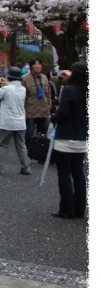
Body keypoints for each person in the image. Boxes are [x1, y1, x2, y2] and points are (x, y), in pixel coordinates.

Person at [50, 61, 88, 219]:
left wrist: (53, 117)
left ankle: (67, 209)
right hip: (82, 137)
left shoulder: (68, 90)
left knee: (64, 173)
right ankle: (80, 208)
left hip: (65, 136)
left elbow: (63, 112)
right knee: (78, 173)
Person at [0, 67, 30, 175]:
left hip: (7, 122)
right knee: (21, 146)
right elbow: (13, 89)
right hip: (20, 122)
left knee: (3, 145)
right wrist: (6, 83)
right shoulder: (23, 89)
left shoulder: (5, 89)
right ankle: (26, 167)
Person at [21, 57, 52, 152]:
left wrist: (49, 107)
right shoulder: (25, 78)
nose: (37, 66)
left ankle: (40, 153)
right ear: (31, 66)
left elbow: (48, 94)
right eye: (35, 64)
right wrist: (23, 110)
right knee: (29, 134)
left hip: (43, 110)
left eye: (39, 64)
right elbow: (22, 96)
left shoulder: (44, 77)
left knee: (42, 134)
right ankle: (27, 153)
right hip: (30, 111)